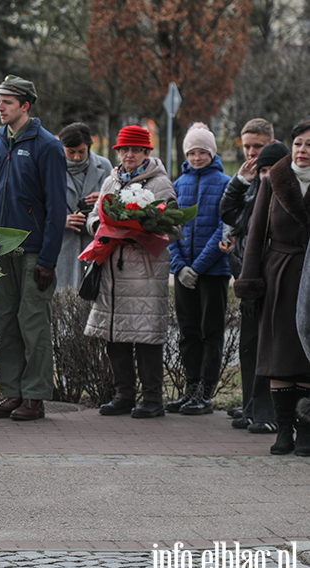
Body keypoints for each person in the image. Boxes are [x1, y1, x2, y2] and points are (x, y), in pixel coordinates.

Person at [0, 74, 66, 421]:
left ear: (25, 106)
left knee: (33, 324)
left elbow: (57, 207)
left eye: (7, 102)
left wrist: (48, 258)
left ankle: (35, 396)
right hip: (1, 251)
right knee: (6, 323)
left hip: (33, 253)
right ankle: (12, 393)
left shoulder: (47, 146)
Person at [84, 125, 176, 419]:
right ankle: (123, 394)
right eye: (125, 150)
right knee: (115, 334)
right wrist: (100, 227)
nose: (129, 155)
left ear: (147, 152)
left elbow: (174, 226)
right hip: (111, 269)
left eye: (136, 150)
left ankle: (152, 398)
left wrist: (140, 229)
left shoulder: (160, 185)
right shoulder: (111, 181)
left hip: (145, 271)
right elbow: (94, 217)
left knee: (146, 336)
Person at [234, 120, 310, 457]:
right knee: (279, 356)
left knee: (306, 357)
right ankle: (283, 430)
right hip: (278, 274)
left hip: (309, 274)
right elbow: (255, 237)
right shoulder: (274, 179)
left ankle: (306, 431)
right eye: (298, 144)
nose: (302, 151)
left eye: (309, 145)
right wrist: (249, 285)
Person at [219, 119, 280, 432]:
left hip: (269, 277)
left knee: (265, 347)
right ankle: (249, 406)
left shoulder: (275, 176)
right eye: (247, 147)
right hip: (244, 275)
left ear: (270, 142)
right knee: (247, 346)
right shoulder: (249, 178)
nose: (252, 153)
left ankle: (266, 412)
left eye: (257, 146)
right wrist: (239, 182)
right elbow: (228, 214)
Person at [165, 123, 231, 416]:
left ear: (211, 153)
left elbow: (223, 228)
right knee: (187, 331)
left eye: (202, 152)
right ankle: (190, 388)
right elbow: (169, 228)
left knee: (210, 332)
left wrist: (199, 266)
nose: (196, 157)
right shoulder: (178, 185)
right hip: (183, 274)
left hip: (213, 272)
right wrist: (179, 266)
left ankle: (205, 392)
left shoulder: (225, 183)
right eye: (191, 152)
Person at [56, 122, 113, 289]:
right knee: (64, 297)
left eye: (82, 151)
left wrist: (103, 200)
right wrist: (60, 220)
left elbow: (117, 204)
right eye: (70, 152)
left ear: (89, 146)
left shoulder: (105, 166)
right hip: (63, 245)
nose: (76, 157)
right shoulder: (52, 168)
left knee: (94, 296)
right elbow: (40, 205)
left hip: (94, 243)